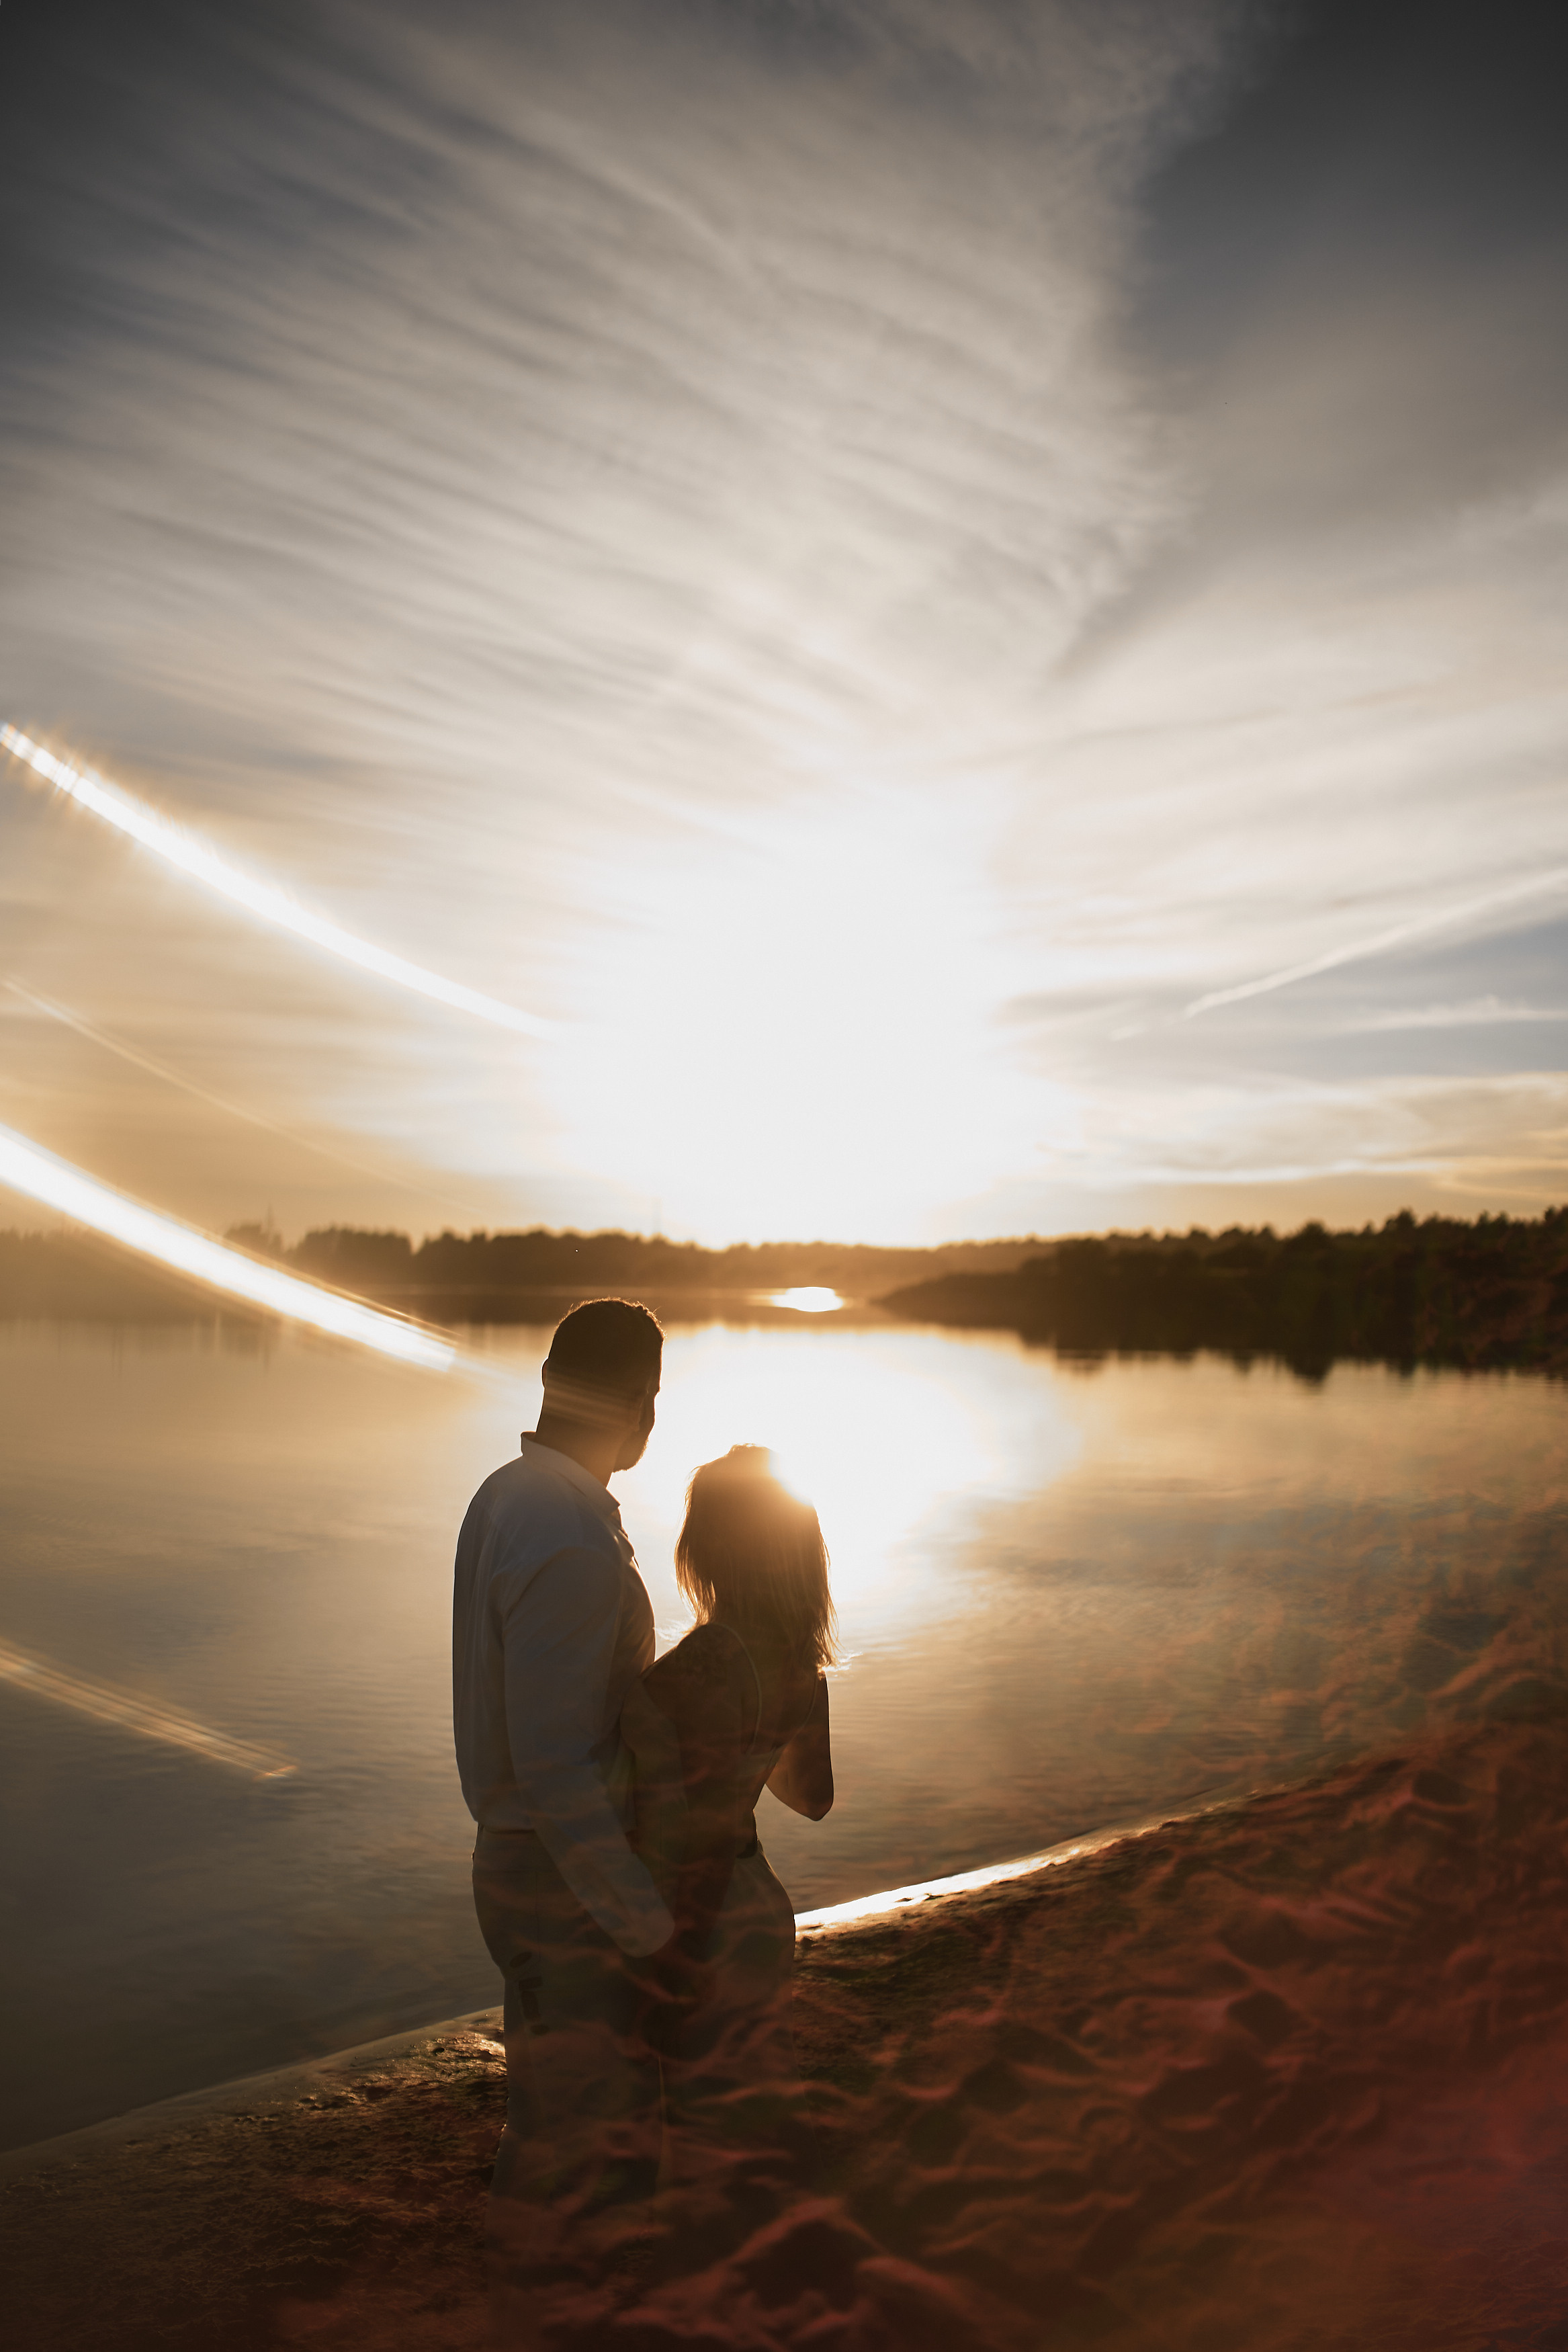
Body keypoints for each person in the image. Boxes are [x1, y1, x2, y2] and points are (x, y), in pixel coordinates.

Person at [451, 1296, 684, 2326]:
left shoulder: (511, 1495)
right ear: (636, 1402)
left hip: (517, 1866)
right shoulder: (570, 1540)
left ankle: (531, 2305)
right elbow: (554, 1768)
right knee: (581, 2141)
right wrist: (645, 1924)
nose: (651, 1421)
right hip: (558, 1884)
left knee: (545, 2120)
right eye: (651, 1400)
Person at [623, 1444, 836, 2228]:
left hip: (704, 1909)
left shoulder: (701, 1663)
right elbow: (813, 1796)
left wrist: (671, 1949)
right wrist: (754, 1742)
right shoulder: (800, 1663)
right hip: (758, 1911)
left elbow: (690, 1828)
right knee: (761, 2113)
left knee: (700, 2129)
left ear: (709, 1545)